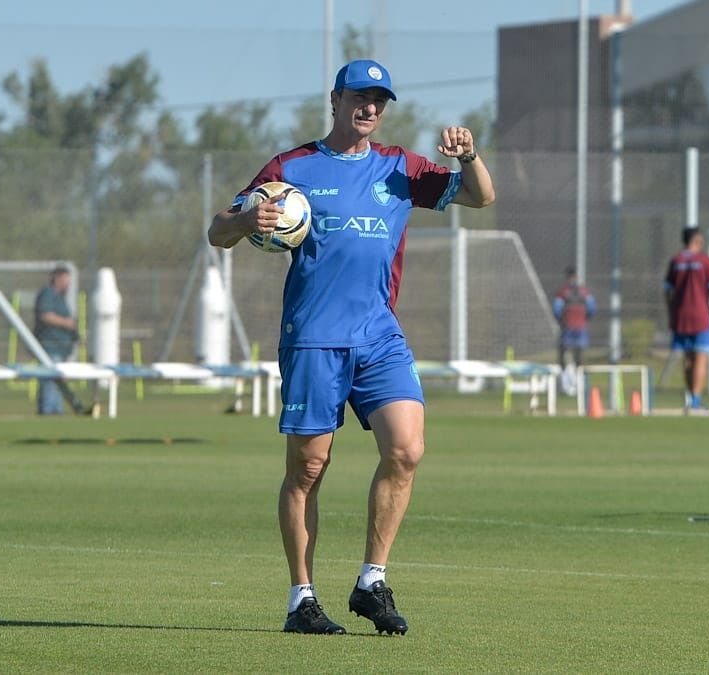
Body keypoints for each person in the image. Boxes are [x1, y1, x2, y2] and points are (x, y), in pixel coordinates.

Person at [208, 58, 495, 635]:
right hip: (314, 338)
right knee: (308, 468)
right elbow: (219, 230)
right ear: (335, 99)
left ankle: (371, 582)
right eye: (360, 96)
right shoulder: (291, 167)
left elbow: (480, 196)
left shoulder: (399, 167)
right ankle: (302, 600)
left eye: (379, 100)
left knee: (406, 449)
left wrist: (468, 156)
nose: (369, 107)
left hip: (379, 335)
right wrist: (247, 220)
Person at [664, 227, 709, 412]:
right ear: (697, 240)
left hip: (681, 318)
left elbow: (667, 291)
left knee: (688, 359)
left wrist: (672, 313)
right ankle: (696, 402)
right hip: (701, 317)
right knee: (701, 358)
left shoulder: (676, 261)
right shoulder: (705, 261)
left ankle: (691, 399)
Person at [32, 265, 78, 415]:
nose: (68, 284)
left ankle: (56, 411)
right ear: (56, 279)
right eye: (65, 280)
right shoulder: (48, 294)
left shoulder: (60, 297)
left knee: (58, 380)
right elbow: (46, 315)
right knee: (50, 380)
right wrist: (66, 323)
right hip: (50, 347)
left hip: (61, 348)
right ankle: (48, 412)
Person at [552, 266, 595, 372]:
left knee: (563, 349)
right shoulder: (585, 291)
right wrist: (585, 318)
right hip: (581, 326)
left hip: (568, 325)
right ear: (576, 276)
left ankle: (563, 371)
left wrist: (561, 320)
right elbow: (591, 308)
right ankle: (579, 372)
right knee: (580, 353)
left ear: (566, 276)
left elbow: (556, 309)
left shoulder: (562, 292)